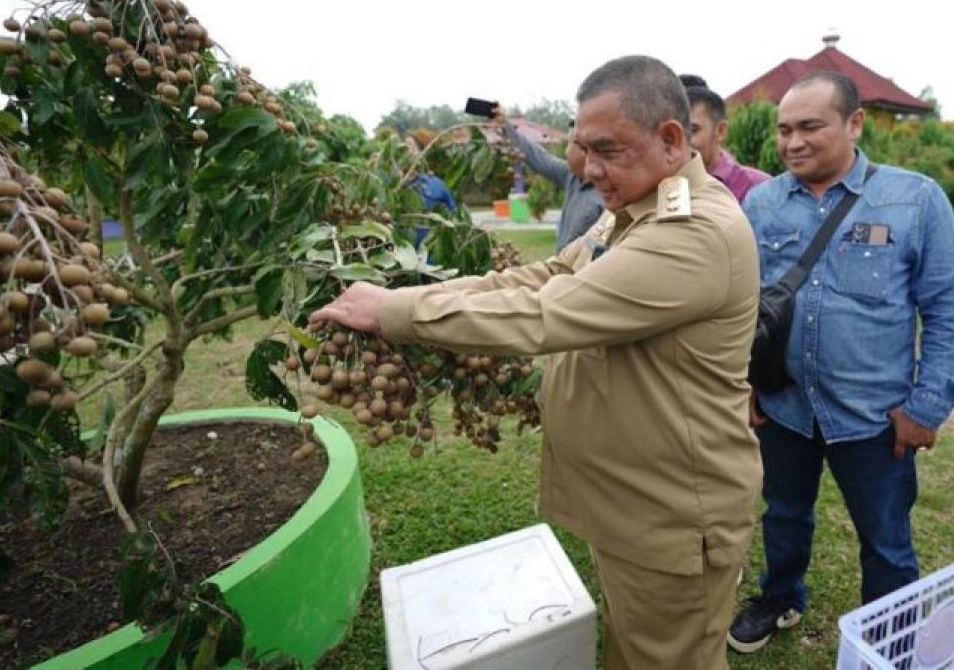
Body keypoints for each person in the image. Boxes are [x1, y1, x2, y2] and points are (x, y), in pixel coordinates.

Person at [312, 55, 762, 669]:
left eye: (607, 150)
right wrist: (423, 291)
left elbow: (544, 312)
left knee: (669, 657)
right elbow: (546, 272)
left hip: (674, 514)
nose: (589, 169)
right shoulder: (637, 205)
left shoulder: (693, 233)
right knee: (635, 648)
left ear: (671, 139)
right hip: (635, 499)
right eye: (583, 149)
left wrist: (396, 312)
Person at [729, 71, 954, 654]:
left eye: (810, 126)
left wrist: (926, 406)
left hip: (875, 416)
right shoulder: (761, 203)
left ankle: (889, 641)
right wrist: (742, 384)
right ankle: (781, 597)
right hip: (784, 405)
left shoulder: (914, 199)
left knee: (886, 540)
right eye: (784, 130)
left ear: (854, 123)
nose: (793, 142)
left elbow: (949, 313)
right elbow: (737, 304)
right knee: (783, 514)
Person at [495, 109, 604, 250]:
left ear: (584, 151)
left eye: (568, 145)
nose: (565, 151)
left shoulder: (609, 196)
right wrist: (506, 125)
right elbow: (538, 157)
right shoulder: (571, 176)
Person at [684, 83, 770, 204]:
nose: (681, 141)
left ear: (720, 131)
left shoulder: (758, 187)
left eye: (693, 130)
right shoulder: (666, 188)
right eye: (674, 133)